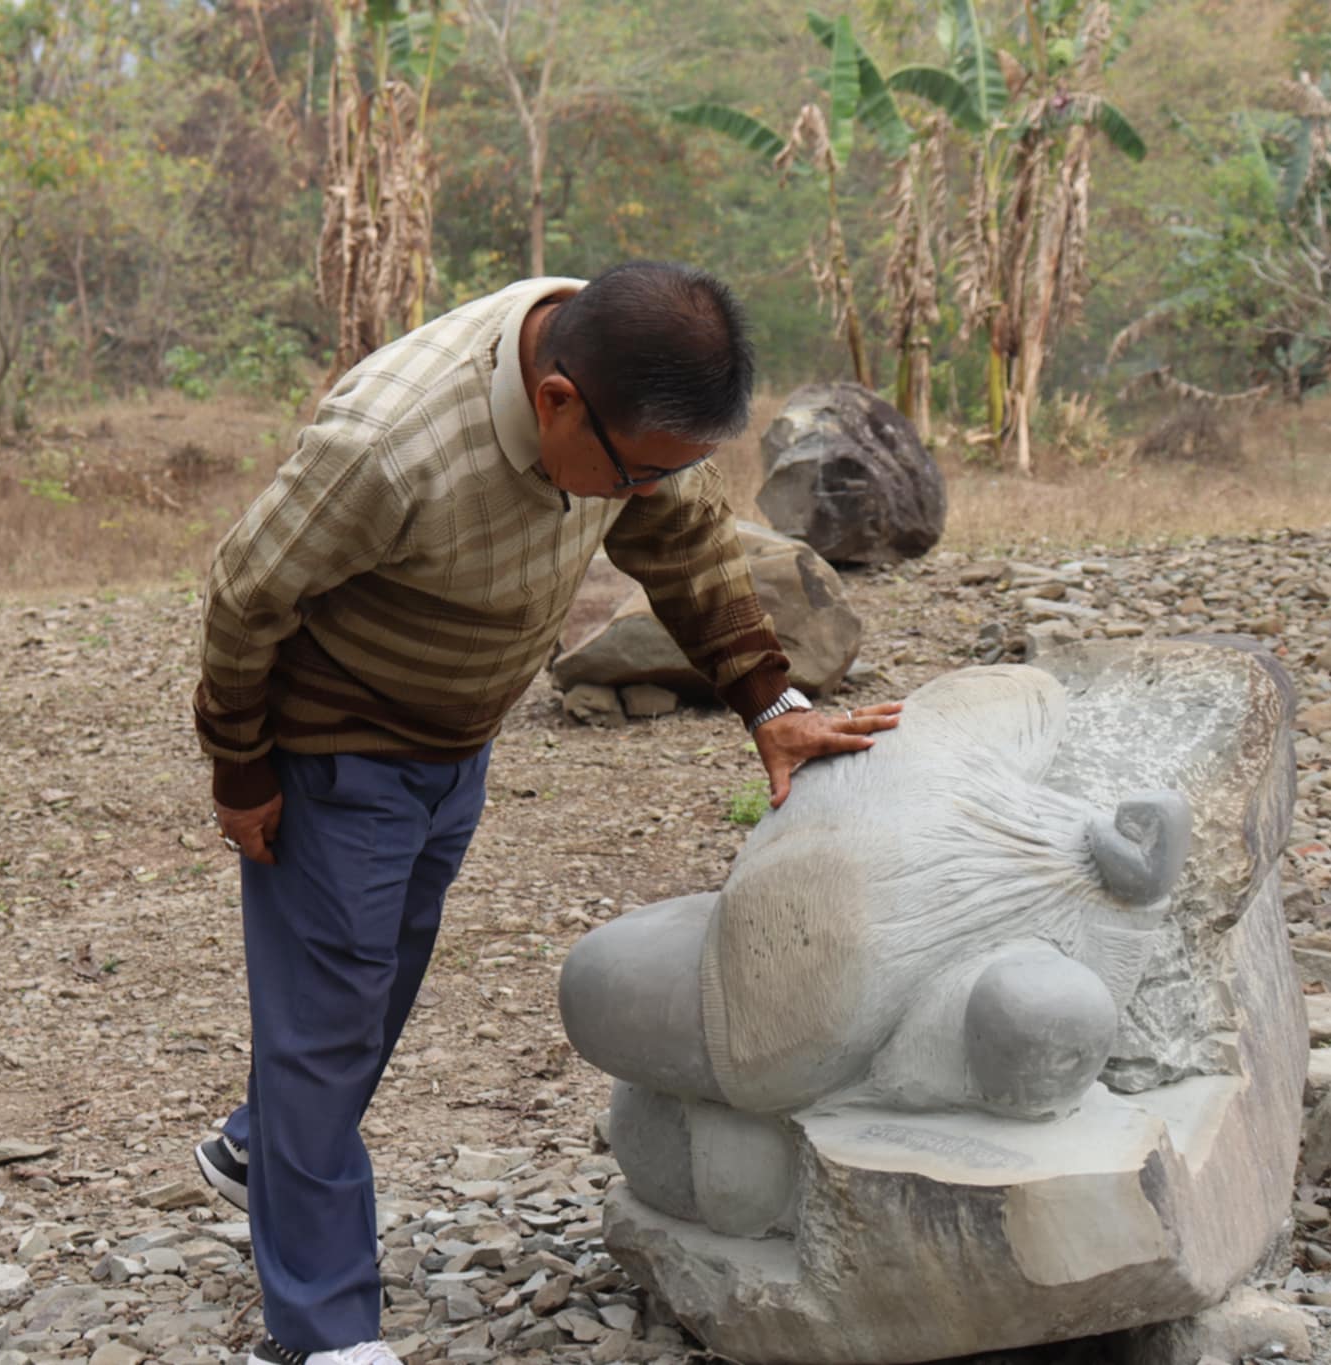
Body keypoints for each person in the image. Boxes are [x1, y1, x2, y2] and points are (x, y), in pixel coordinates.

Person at [190, 261, 901, 1365]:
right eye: (639, 472)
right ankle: (321, 1330)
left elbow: (683, 544)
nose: (646, 491)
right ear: (558, 404)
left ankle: (266, 1146)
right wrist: (240, 770)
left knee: (374, 982)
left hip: (454, 737)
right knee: (327, 1025)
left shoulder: (626, 398)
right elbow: (245, 595)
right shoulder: (387, 446)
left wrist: (771, 699)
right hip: (334, 746)